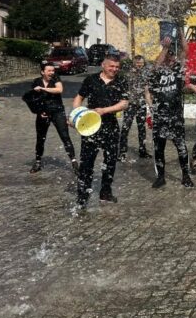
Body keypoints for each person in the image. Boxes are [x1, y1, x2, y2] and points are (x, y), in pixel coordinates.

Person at [72, 54, 128, 208]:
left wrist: (105, 110)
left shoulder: (122, 80)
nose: (115, 69)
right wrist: (77, 115)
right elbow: (78, 99)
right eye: (112, 66)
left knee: (110, 162)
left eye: (117, 67)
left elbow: (124, 103)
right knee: (86, 162)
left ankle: (105, 192)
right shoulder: (91, 80)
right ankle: (82, 197)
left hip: (110, 126)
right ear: (103, 65)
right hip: (90, 127)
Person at [146, 34, 193, 189]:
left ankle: (185, 175)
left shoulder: (178, 71)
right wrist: (165, 48)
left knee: (181, 147)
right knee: (159, 148)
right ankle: (160, 177)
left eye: (172, 58)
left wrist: (180, 29)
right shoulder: (157, 72)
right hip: (160, 117)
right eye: (167, 58)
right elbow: (154, 66)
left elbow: (185, 50)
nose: (170, 60)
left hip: (175, 117)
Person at [30, 62, 77, 174]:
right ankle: (38, 162)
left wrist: (43, 89)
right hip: (43, 113)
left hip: (57, 111)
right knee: (41, 138)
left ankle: (74, 162)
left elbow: (59, 90)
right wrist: (39, 111)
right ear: (43, 72)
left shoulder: (56, 78)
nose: (52, 72)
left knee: (65, 136)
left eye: (53, 70)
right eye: (49, 71)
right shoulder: (36, 82)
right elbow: (34, 99)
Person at [118, 55, 151, 161]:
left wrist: (150, 105)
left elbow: (146, 91)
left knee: (142, 129)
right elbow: (121, 89)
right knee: (125, 128)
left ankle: (143, 151)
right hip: (130, 105)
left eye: (141, 63)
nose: (140, 65)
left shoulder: (145, 74)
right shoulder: (127, 74)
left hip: (141, 104)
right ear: (133, 63)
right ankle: (122, 152)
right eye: (137, 63)